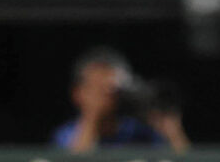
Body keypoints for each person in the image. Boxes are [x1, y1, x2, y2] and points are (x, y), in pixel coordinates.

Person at [51, 49, 189, 153]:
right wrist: (91, 119)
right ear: (78, 93)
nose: (107, 93)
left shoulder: (137, 131)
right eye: (98, 88)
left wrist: (172, 132)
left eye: (111, 88)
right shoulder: (66, 134)